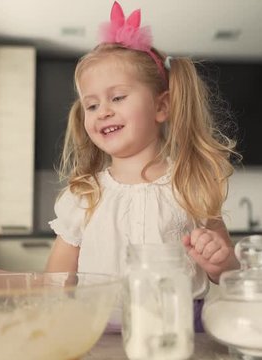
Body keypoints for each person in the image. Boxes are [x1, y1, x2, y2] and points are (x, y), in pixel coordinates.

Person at [44, 1, 240, 330]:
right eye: (91, 105)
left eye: (117, 97)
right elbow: (52, 285)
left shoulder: (191, 185)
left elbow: (229, 274)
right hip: (99, 337)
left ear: (161, 106)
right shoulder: (84, 195)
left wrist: (220, 260)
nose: (102, 111)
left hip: (179, 338)